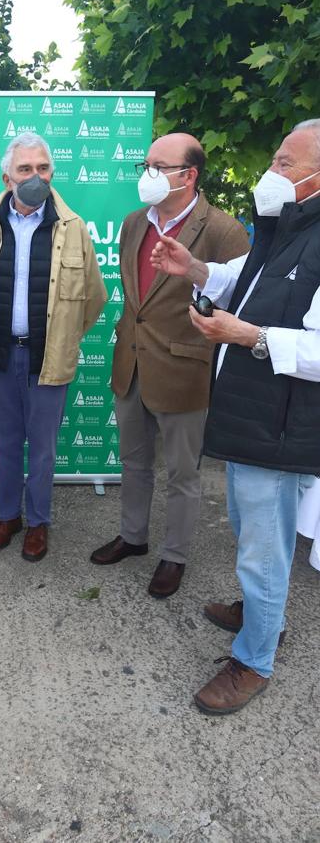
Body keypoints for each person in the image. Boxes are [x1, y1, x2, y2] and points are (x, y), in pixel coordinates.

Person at [150, 118, 320, 714]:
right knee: (256, 534)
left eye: (285, 164)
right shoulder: (286, 230)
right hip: (254, 417)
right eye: (275, 159)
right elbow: (242, 283)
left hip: (280, 425)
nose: (271, 172)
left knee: (264, 547)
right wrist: (192, 269)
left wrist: (248, 337)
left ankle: (254, 659)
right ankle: (259, 613)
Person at [90, 133, 249, 597]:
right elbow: (135, 299)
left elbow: (236, 304)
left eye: (160, 167)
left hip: (184, 370)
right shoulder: (134, 223)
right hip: (132, 363)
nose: (148, 175)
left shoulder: (222, 231)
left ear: (189, 175)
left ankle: (174, 555)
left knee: (183, 473)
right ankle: (133, 537)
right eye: (146, 165)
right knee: (134, 462)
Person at [0, 132, 106, 562]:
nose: (35, 176)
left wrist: (64, 337)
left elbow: (94, 297)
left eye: (42, 168)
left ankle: (39, 522)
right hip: (1, 355)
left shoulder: (73, 227)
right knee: (5, 444)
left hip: (48, 357)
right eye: (25, 169)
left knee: (43, 449)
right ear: (6, 176)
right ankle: (8, 516)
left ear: (52, 172)